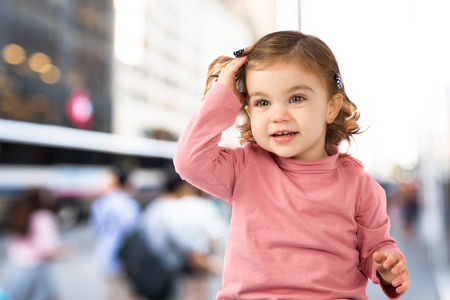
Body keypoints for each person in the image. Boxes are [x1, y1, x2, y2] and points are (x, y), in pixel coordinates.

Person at [174, 30, 410, 299]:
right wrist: (222, 95)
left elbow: (375, 249)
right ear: (248, 112)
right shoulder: (244, 166)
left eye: (296, 98)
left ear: (331, 107)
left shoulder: (360, 186)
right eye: (263, 102)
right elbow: (189, 160)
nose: (278, 115)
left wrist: (387, 267)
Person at [141, 164, 224, 300]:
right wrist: (213, 267)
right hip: (166, 271)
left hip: (151, 267)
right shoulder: (174, 209)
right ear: (182, 186)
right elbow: (189, 250)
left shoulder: (155, 206)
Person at [0, 188, 69, 300]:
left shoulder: (19, 214)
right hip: (35, 271)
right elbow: (47, 249)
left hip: (14, 269)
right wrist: (65, 250)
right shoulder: (44, 217)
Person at [89, 167, 140, 300]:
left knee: (113, 293)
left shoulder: (99, 202)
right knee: (129, 294)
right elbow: (133, 231)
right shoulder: (127, 203)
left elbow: (95, 228)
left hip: (103, 255)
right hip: (123, 259)